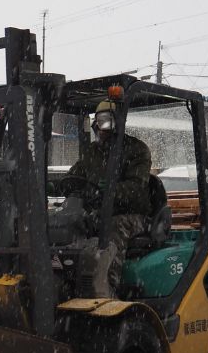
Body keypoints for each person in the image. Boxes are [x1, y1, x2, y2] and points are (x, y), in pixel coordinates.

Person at [63, 100, 151, 298]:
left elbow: (136, 188)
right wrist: (63, 185)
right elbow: (74, 176)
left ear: (118, 122)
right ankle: (66, 286)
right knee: (67, 227)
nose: (101, 128)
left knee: (110, 229)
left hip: (131, 214)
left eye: (106, 121)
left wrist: (109, 192)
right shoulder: (92, 152)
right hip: (99, 212)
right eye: (99, 121)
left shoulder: (136, 150)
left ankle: (107, 292)